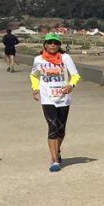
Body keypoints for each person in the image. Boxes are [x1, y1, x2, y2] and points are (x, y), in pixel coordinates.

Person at [29, 33, 81, 172]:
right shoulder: (38, 60)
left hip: (63, 99)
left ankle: (57, 150)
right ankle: (55, 160)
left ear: (59, 45)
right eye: (50, 42)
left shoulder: (65, 58)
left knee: (61, 130)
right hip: (47, 99)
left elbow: (75, 75)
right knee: (52, 127)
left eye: (56, 43)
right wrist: (35, 88)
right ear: (45, 44)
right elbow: (34, 75)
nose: (53, 45)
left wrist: (71, 85)